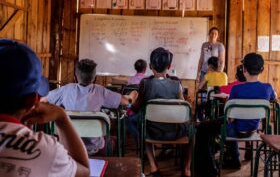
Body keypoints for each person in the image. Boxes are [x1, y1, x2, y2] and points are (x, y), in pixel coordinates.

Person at [0, 39, 89, 177]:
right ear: (32, 101)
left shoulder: (65, 90)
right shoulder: (45, 150)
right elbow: (84, 171)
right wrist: (61, 117)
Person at [195, 52, 276, 177]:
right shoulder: (268, 88)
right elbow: (274, 99)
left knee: (202, 128)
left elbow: (231, 118)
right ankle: (233, 159)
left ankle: (208, 171)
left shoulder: (236, 89)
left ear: (244, 69)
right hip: (253, 130)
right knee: (229, 122)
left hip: (233, 130)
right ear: (262, 69)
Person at [42, 58, 138, 155]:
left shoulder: (66, 90)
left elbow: (43, 100)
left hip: (69, 147)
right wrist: (133, 93)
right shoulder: (100, 91)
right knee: (115, 140)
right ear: (95, 78)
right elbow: (127, 102)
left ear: (75, 77)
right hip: (95, 148)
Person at [130, 47, 191, 177]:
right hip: (176, 132)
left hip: (153, 132)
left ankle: (153, 166)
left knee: (141, 126)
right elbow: (183, 109)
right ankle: (186, 169)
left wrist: (130, 104)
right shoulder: (176, 83)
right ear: (169, 66)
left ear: (151, 66)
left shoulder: (145, 83)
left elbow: (136, 107)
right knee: (192, 130)